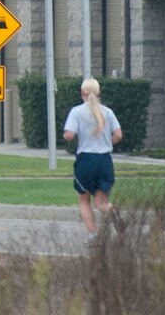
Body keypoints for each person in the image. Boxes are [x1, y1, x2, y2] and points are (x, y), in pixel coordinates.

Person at [63, 78, 123, 236]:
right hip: (104, 160)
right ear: (99, 93)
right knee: (100, 202)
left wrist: (66, 136)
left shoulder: (77, 111)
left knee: (84, 200)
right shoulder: (107, 112)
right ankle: (111, 210)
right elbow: (118, 134)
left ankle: (93, 235)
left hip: (86, 160)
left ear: (82, 93)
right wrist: (107, 142)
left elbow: (69, 134)